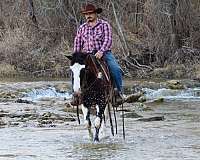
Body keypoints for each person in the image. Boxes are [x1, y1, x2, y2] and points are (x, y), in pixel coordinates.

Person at [73, 3, 123, 97]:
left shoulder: (104, 25)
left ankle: (118, 93)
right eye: (86, 14)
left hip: (103, 53)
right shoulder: (82, 28)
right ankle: (75, 94)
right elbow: (78, 42)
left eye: (91, 13)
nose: (88, 16)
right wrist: (76, 56)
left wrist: (101, 51)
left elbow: (108, 40)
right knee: (75, 70)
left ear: (96, 13)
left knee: (115, 69)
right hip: (86, 56)